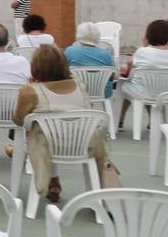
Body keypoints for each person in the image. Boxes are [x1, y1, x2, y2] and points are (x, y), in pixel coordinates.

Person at [13, 46, 108, 206]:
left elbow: (18, 120)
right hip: (83, 143)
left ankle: (47, 181)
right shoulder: (81, 86)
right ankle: (96, 195)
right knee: (53, 130)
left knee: (40, 132)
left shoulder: (30, 91)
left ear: (35, 66)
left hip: (48, 146)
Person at [117, 19, 168, 130]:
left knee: (128, 84)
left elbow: (130, 66)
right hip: (167, 93)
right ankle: (155, 122)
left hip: (144, 92)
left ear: (149, 35)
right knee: (146, 85)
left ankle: (120, 120)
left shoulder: (142, 52)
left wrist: (145, 45)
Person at [65, 22, 118, 95]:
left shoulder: (69, 51)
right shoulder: (106, 54)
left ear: (79, 35)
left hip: (77, 92)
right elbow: (113, 77)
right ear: (98, 36)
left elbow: (63, 72)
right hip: (102, 92)